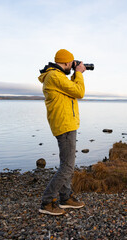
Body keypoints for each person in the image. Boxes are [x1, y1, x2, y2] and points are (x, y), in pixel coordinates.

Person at [38, 49, 86, 215]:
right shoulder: (55, 76)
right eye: (71, 64)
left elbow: (71, 89)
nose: (72, 67)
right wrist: (79, 73)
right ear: (66, 63)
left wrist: (74, 74)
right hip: (64, 125)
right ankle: (47, 202)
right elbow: (79, 92)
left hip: (67, 124)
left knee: (67, 164)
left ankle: (65, 198)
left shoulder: (57, 76)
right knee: (67, 166)